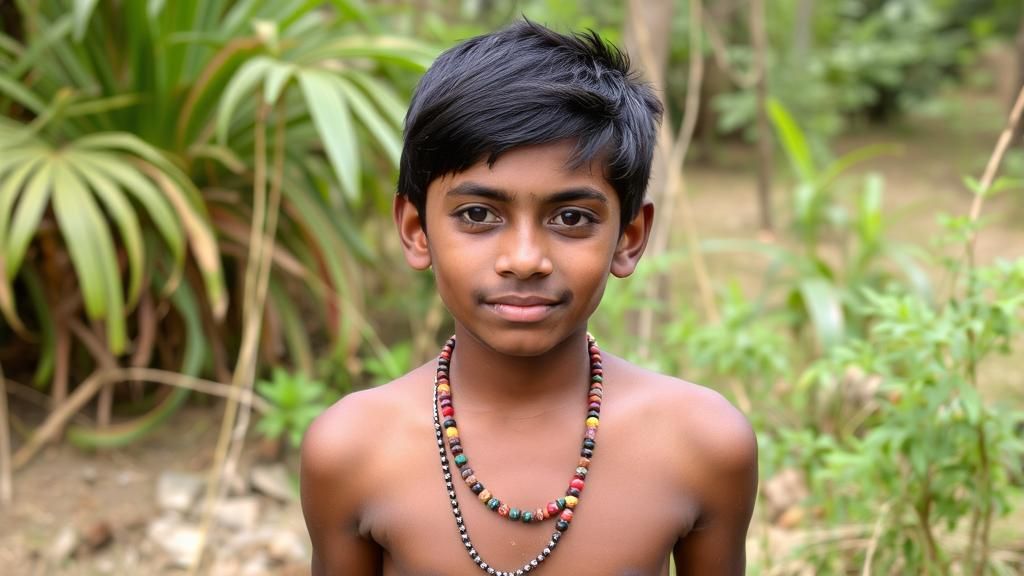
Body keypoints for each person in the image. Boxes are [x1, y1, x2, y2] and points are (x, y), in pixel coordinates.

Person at [300, 20, 757, 576]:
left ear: (629, 239)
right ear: (417, 230)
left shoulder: (701, 444)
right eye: (477, 215)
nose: (524, 258)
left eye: (571, 218)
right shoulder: (352, 449)